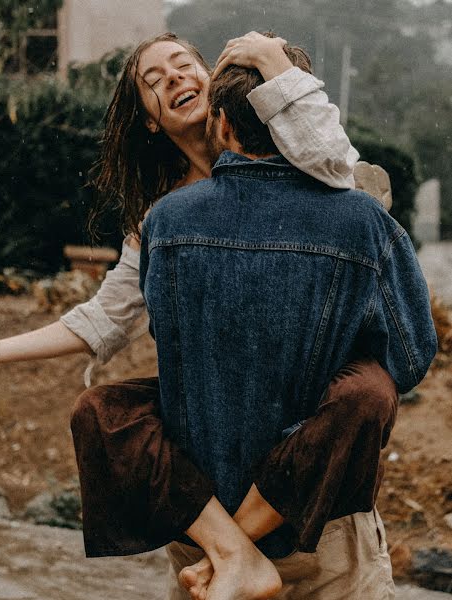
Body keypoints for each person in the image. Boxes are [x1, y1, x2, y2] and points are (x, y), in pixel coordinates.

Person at [0, 32, 407, 600]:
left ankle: (230, 552)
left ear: (215, 82)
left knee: (370, 392)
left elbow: (341, 166)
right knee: (103, 413)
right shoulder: (162, 220)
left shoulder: (299, 153)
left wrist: (270, 60)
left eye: (184, 65)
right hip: (217, 418)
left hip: (308, 420)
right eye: (153, 80)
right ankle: (234, 555)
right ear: (147, 118)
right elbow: (101, 320)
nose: (174, 80)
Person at [138, 49, 437, 599]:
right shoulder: (361, 220)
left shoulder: (166, 222)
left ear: (221, 123)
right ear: (297, 114)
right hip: (323, 534)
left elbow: (168, 342)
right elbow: (412, 357)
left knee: (108, 409)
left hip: (204, 529)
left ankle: (230, 556)